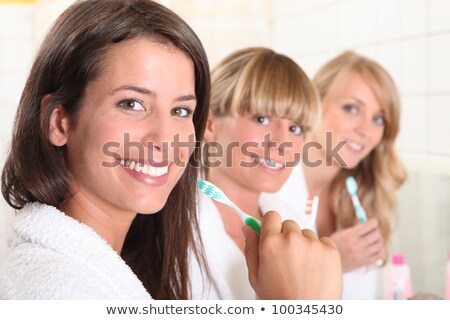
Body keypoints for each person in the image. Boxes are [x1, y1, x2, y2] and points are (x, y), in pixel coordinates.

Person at [0, 0, 342, 300]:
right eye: (132, 103)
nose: (166, 139)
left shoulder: (121, 263)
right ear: (59, 122)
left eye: (180, 111)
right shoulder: (58, 291)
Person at [190, 47, 342, 299]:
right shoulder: (168, 229)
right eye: (261, 119)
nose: (283, 143)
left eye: (295, 128)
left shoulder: (295, 228)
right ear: (210, 124)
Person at [262, 51, 407, 299]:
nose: (365, 129)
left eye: (379, 118)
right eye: (351, 108)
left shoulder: (369, 197)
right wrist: (328, 260)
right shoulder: (266, 184)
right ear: (315, 102)